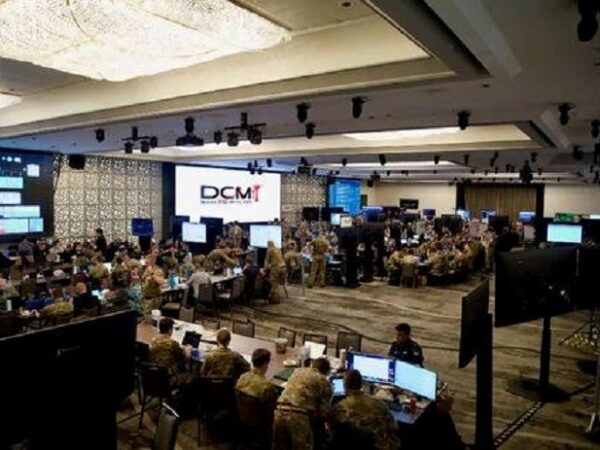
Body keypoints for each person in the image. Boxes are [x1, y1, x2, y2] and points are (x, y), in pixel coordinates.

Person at [328, 370, 399, 450]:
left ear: (345, 386)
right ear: (361, 384)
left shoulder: (340, 408)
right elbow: (393, 427)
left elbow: (331, 431)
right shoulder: (381, 404)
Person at [273, 358, 332, 450]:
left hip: (278, 412)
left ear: (312, 365)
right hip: (298, 417)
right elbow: (322, 414)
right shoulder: (323, 381)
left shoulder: (297, 371)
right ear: (327, 372)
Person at [150, 317, 191, 386]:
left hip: (156, 373)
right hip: (169, 377)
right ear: (170, 330)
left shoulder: (153, 341)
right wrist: (188, 350)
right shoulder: (172, 343)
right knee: (187, 366)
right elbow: (184, 358)